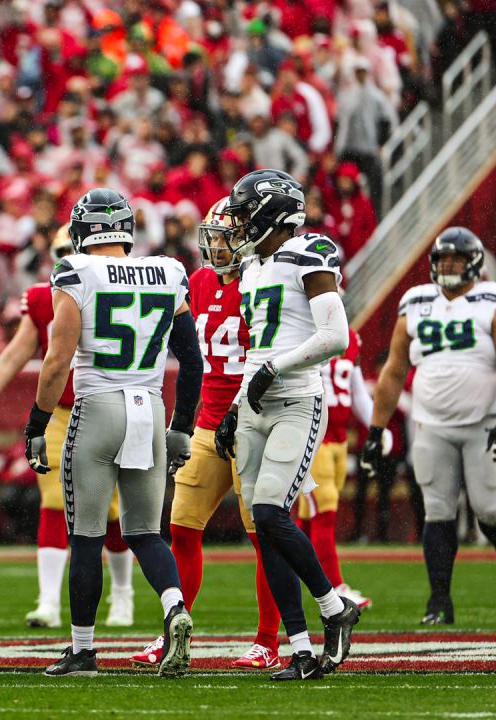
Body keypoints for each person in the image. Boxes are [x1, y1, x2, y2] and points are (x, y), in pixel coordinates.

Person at [27, 189, 200, 679]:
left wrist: (38, 424)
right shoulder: (169, 271)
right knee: (145, 532)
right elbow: (192, 360)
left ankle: (82, 650)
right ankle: (173, 609)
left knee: (85, 536)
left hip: (98, 407)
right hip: (149, 406)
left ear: (82, 231)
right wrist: (182, 426)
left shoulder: (75, 271)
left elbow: (58, 360)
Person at [0, 226, 138, 630]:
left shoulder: (127, 289)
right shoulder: (45, 298)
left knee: (113, 507)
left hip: (109, 405)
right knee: (53, 497)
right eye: (64, 253)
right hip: (61, 410)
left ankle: (123, 594)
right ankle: (48, 600)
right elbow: (15, 356)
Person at [212, 170, 361, 681]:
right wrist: (234, 406)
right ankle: (299, 648)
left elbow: (335, 335)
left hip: (297, 401)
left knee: (272, 513)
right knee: (263, 525)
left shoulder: (309, 252)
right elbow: (259, 350)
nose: (236, 220)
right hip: (255, 403)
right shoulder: (252, 267)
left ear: (272, 211)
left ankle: (333, 606)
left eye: (244, 209)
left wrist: (277, 369)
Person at [130, 197, 284, 671]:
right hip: (207, 423)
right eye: (213, 237)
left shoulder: (264, 282)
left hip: (254, 422)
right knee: (181, 527)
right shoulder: (196, 283)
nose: (217, 246)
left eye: (228, 237)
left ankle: (268, 641)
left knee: (265, 536)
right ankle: (175, 630)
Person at [362, 227, 496, 624]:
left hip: (484, 422)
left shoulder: (494, 301)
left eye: (457, 260)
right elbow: (394, 370)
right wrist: (376, 430)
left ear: (475, 264)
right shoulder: (416, 303)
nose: (448, 266)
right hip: (431, 425)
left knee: (493, 512)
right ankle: (439, 601)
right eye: (443, 259)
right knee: (437, 511)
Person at [296, 328, 376, 610]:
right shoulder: (300, 327)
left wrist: (375, 426)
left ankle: (290, 576)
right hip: (314, 435)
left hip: (340, 439)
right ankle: (335, 588)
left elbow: (356, 391)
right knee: (325, 510)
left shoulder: (351, 336)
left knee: (311, 515)